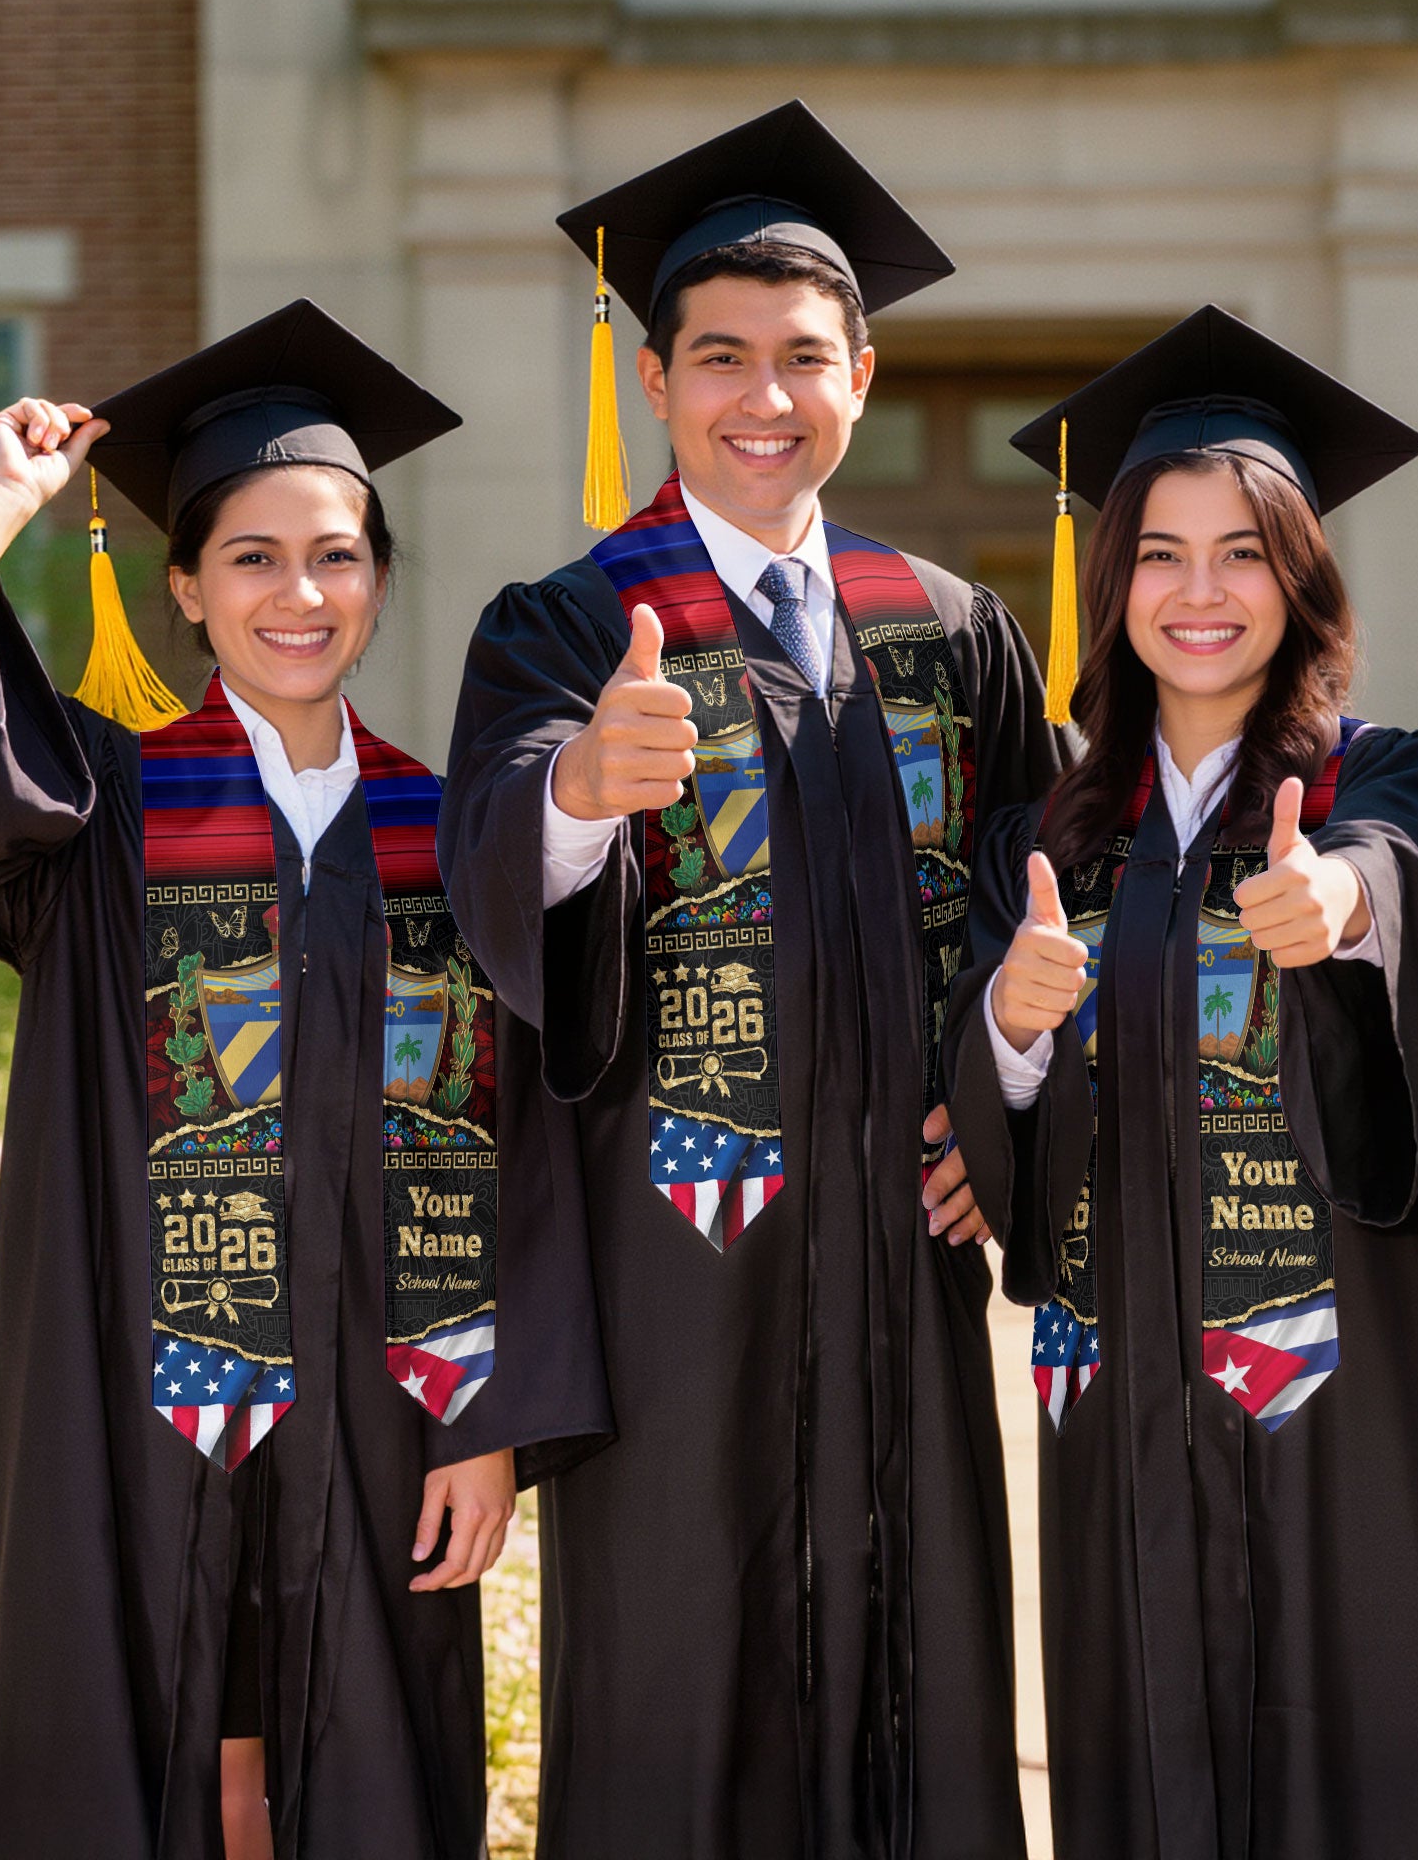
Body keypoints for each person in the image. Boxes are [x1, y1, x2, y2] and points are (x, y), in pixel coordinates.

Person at [440, 101, 1067, 1859]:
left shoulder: (950, 625)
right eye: (721, 358)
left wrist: (1007, 1111)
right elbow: (489, 859)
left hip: (901, 1264)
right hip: (679, 1275)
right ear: (656, 380)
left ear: (862, 374)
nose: (763, 398)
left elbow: (1059, 901)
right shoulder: (569, 624)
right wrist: (577, 790)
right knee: (681, 1694)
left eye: (805, 358)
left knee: (920, 1678)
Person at [0, 300, 607, 1860]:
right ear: (184, 585)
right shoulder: (102, 810)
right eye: (250, 556)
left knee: (364, 1758)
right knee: (151, 1733)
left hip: (388, 1408)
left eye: (336, 554)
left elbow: (522, 1148)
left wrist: (488, 1420)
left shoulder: (451, 833)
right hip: (137, 1396)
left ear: (379, 579)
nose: (297, 593)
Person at [945, 306, 1418, 1858]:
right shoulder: (1048, 838)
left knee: (1370, 1745)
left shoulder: (1383, 775)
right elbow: (990, 1106)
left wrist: (1340, 909)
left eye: (1246, 552)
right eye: (1161, 554)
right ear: (1111, 581)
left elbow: (1408, 885)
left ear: (1303, 577)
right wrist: (1009, 1016)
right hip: (1122, 1386)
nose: (1202, 594)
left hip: (1345, 1380)